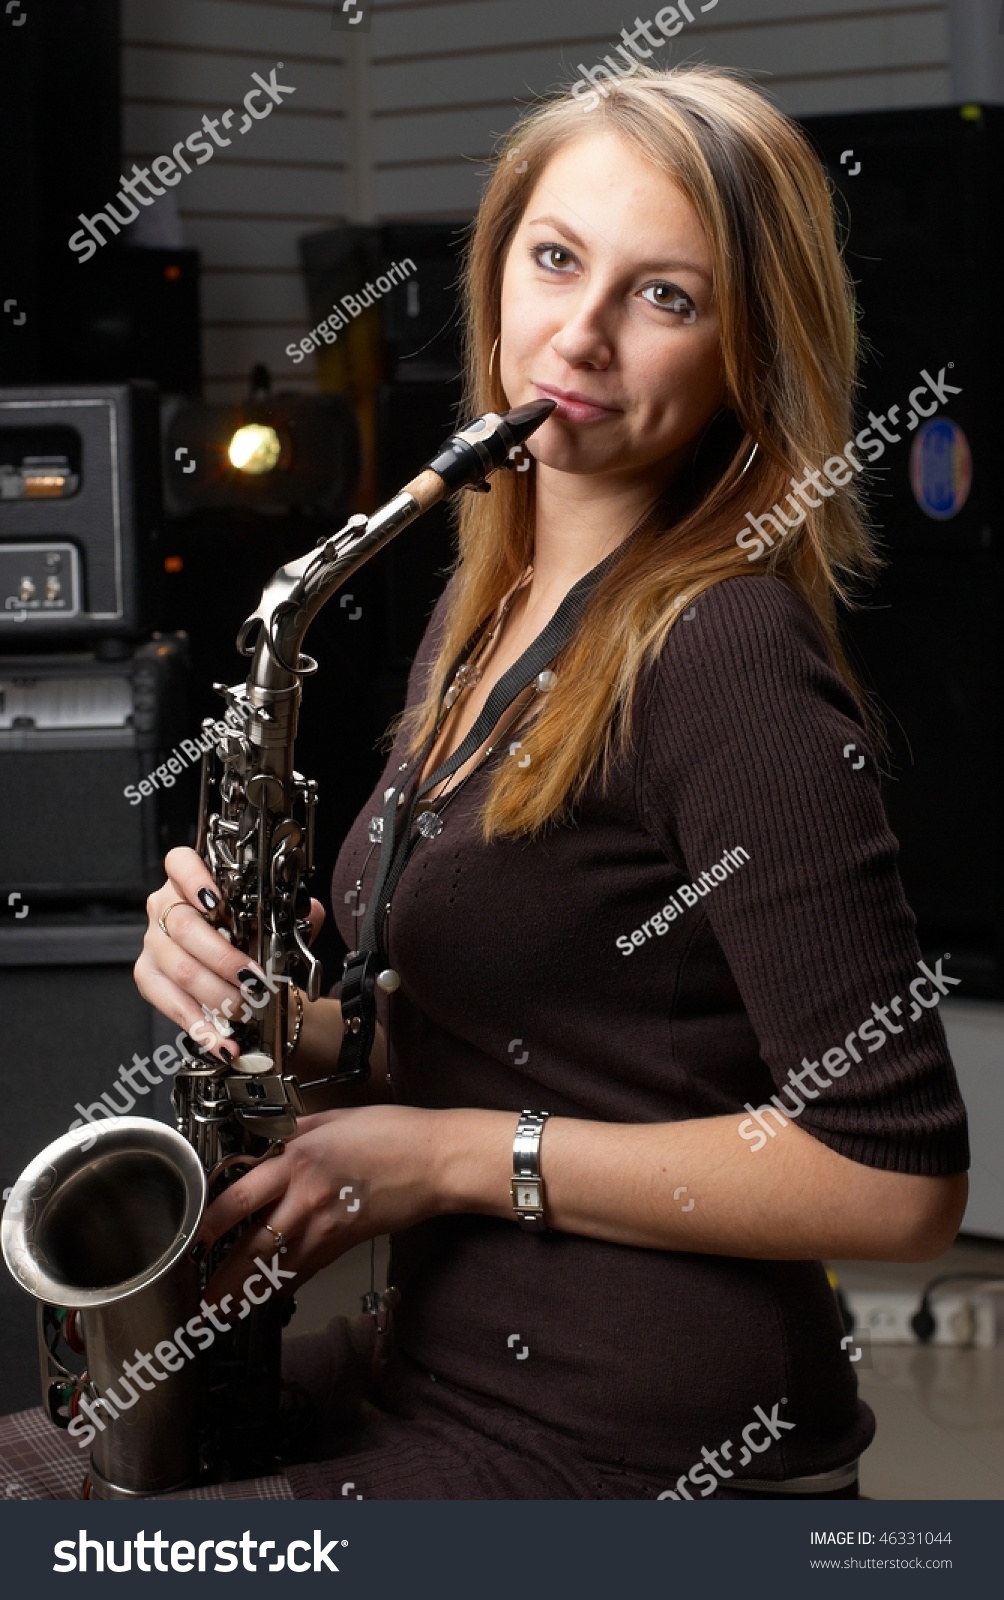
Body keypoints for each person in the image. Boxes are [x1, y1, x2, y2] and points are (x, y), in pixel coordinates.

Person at [0, 64, 969, 1502]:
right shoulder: (481, 607)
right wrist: (271, 1009)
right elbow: (532, 1034)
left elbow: (896, 1183)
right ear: (498, 264)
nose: (575, 335)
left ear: (747, 356)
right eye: (557, 257)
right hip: (445, 1361)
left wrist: (452, 1160)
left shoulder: (728, 655)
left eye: (667, 297)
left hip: (644, 1440)